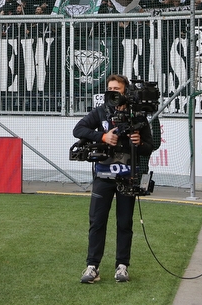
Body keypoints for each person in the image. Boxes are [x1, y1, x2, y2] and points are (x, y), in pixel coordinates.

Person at [75, 74, 160, 284]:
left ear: (126, 92)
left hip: (127, 178)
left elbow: (151, 146)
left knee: (124, 224)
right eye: (110, 88)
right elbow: (78, 129)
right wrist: (102, 137)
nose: (113, 92)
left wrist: (139, 142)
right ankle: (92, 266)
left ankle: (122, 266)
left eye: (117, 88)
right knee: (97, 222)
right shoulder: (102, 111)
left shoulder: (138, 116)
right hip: (103, 176)